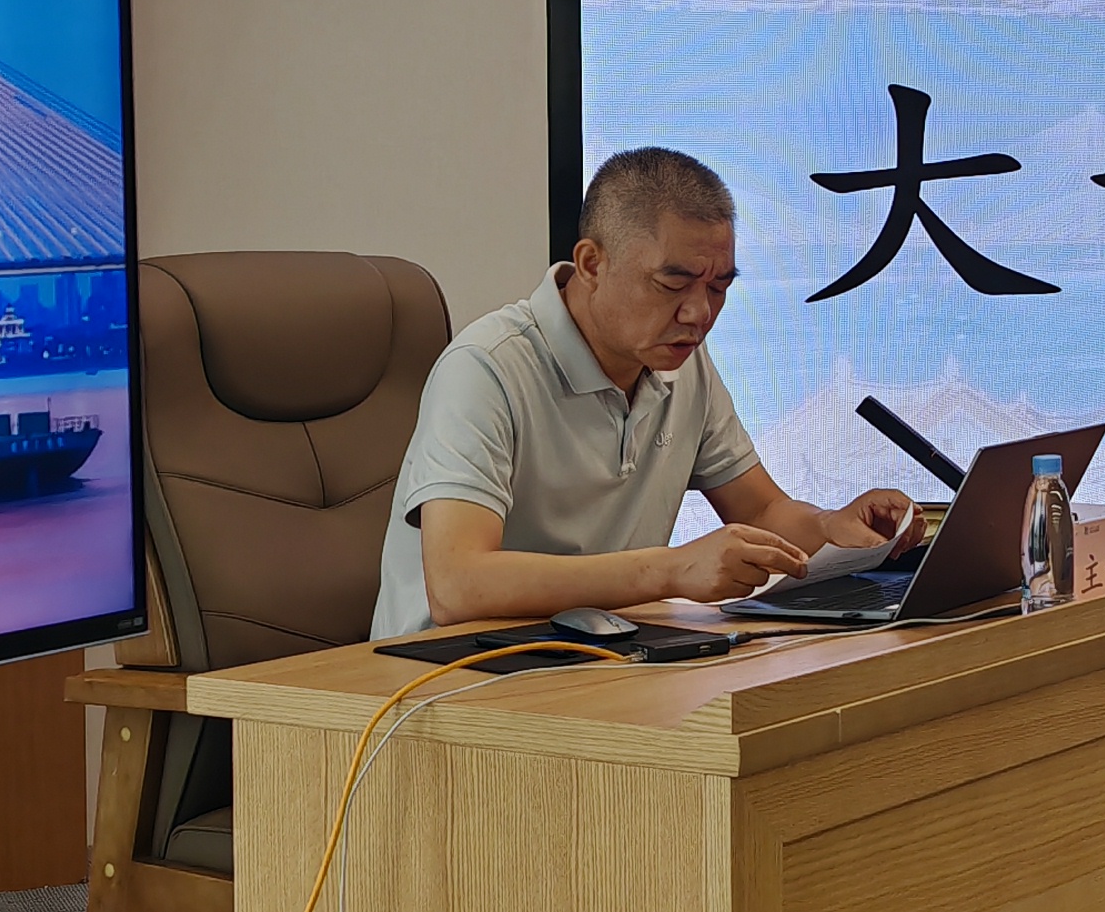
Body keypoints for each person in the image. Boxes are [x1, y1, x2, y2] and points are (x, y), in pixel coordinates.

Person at [371, 146, 912, 637]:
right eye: (673, 284)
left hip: (596, 652)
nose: (699, 313)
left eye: (718, 286)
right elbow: (459, 585)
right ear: (592, 264)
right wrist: (671, 570)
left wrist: (831, 528)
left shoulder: (683, 365)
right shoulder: (487, 367)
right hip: (446, 672)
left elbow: (762, 509)